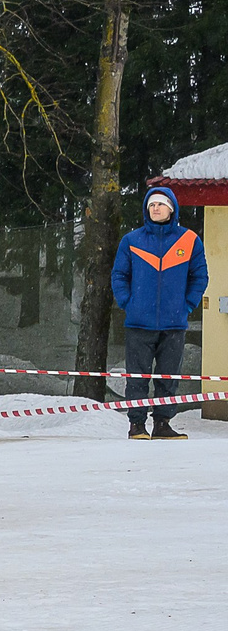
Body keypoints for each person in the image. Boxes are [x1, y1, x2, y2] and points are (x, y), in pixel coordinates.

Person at [111, 184, 210, 440]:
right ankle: (137, 425)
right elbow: (119, 275)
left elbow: (200, 276)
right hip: (138, 324)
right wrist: (127, 302)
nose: (156, 208)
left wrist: (187, 305)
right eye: (151, 205)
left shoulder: (189, 241)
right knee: (137, 378)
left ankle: (163, 424)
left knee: (168, 378)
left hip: (174, 324)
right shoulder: (131, 241)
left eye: (161, 204)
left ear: (172, 208)